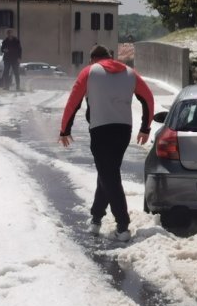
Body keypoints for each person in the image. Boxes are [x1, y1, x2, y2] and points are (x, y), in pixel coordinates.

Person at [58, 45, 155, 241]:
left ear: (93, 59)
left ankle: (122, 225)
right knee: (107, 172)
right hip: (123, 131)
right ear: (109, 56)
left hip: (100, 130)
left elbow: (73, 102)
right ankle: (96, 219)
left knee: (108, 174)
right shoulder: (129, 72)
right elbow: (148, 98)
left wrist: (64, 130)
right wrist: (145, 127)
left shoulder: (89, 72)